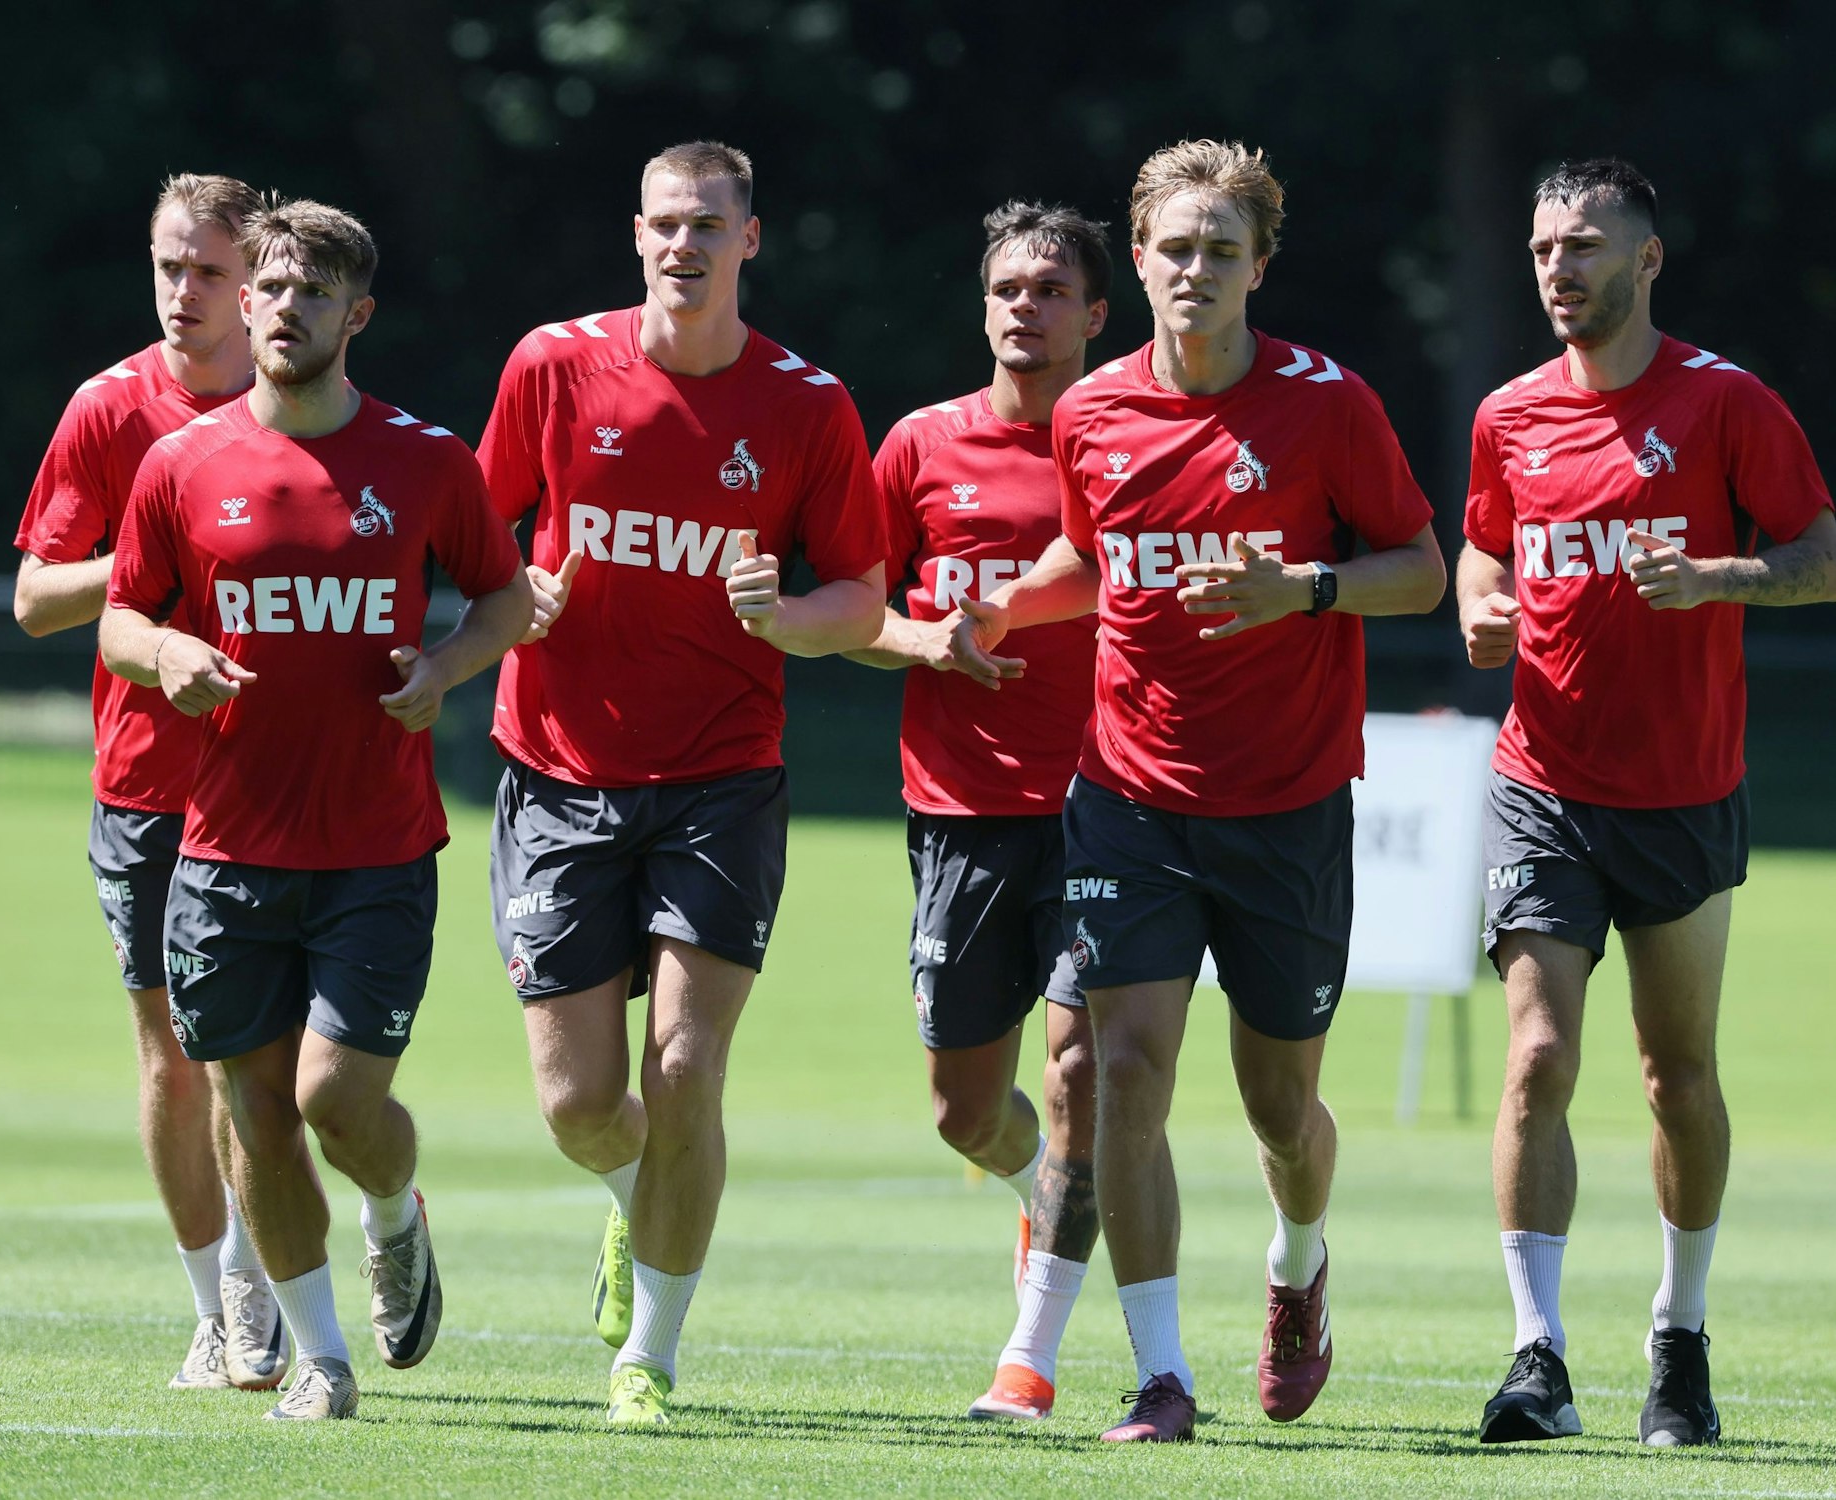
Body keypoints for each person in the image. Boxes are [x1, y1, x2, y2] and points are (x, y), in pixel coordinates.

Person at [954, 139, 1443, 1442]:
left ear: (1259, 268)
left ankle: (1298, 1262)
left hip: (1286, 804)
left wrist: (1310, 590)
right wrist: (1007, 604)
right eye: (1175, 247)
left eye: (1222, 251)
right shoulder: (1093, 408)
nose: (1196, 270)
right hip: (1129, 794)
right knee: (1124, 1069)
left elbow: (1421, 566)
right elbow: (1088, 552)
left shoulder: (1328, 404)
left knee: (1281, 1106)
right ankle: (1162, 1375)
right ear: (1146, 256)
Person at [100, 198, 532, 1421]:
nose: (287, 308)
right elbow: (127, 613)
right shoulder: (180, 465)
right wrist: (164, 658)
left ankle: (395, 1213)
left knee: (333, 1100)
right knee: (252, 1109)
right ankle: (322, 1358)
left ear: (358, 313)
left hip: (376, 852)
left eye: (314, 291)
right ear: (249, 303)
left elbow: (504, 599)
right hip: (226, 851)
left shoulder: (427, 462)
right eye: (272, 288)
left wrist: (444, 670)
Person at [477, 140, 885, 1427]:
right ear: (635, 234)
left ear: (748, 239)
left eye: (707, 223)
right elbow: (472, 533)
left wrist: (791, 618)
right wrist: (512, 595)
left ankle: (644, 1357)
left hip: (720, 776)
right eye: (662, 222)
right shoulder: (551, 365)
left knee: (686, 1069)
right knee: (579, 1105)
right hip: (556, 769)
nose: (682, 244)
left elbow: (860, 598)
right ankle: (627, 1200)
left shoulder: (809, 406)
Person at [1459, 158, 1836, 1448]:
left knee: (1674, 1074)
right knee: (1535, 1058)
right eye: (1538, 250)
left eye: (1581, 245)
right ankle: (1535, 1356)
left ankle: (1677, 1343)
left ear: (1646, 259)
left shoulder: (1724, 402)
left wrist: (1722, 576)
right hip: (1541, 785)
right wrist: (1477, 600)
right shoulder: (1508, 414)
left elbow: (1824, 564)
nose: (1557, 270)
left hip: (1682, 791)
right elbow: (1483, 541)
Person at [11, 172, 288, 1393]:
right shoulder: (108, 408)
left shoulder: (307, 407)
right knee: (173, 1053)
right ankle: (216, 1304)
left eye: (213, 271)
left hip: (283, 778)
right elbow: (31, 599)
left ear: (257, 280)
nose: (187, 292)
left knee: (267, 1061)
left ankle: (281, 1268)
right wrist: (157, 540)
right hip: (145, 782)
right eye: (170, 265)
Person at [844, 202, 1109, 1422]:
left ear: (1095, 316)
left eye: (1050, 289)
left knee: (1075, 1070)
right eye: (1006, 286)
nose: (1024, 307)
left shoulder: (1126, 443)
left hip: (1107, 805)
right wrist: (926, 640)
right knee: (964, 1108)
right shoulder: (917, 445)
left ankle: (1029, 1355)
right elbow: (854, 609)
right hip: (955, 810)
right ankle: (1047, 1190)